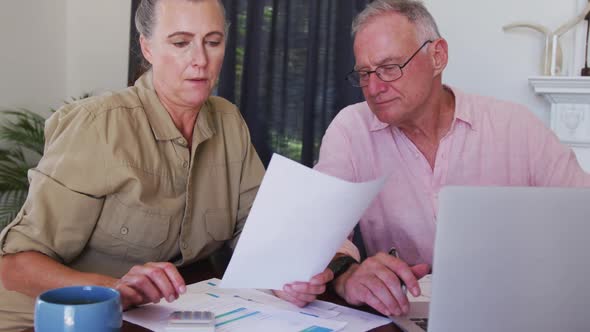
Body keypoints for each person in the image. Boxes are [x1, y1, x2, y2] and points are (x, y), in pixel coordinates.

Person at [282, 0, 590, 318]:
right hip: (406, 314)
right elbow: (318, 236)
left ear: (437, 56)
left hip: (516, 311)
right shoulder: (351, 128)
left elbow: (584, 216)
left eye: (389, 68)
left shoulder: (515, 126)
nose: (374, 88)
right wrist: (347, 274)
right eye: (364, 73)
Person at [0, 0, 267, 330]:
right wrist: (114, 290)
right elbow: (15, 266)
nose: (200, 60)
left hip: (154, 316)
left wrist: (297, 272)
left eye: (212, 42)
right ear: (147, 47)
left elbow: (257, 229)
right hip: (45, 320)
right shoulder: (98, 126)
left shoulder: (229, 122)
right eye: (181, 43)